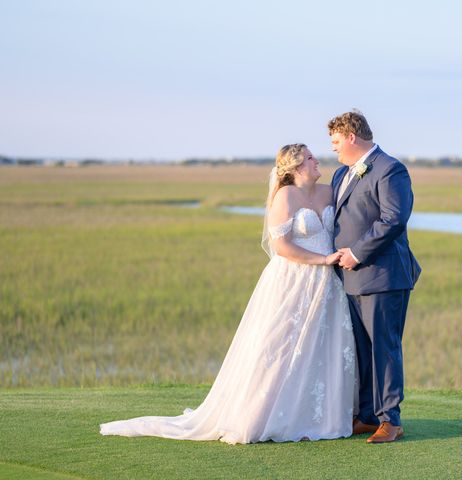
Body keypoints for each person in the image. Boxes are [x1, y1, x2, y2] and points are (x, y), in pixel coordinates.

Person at [100, 144, 357, 444]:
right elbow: (283, 247)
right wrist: (322, 260)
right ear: (297, 166)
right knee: (280, 345)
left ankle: (316, 415)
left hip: (326, 285)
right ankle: (261, 414)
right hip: (295, 279)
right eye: (311, 158)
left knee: (321, 346)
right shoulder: (285, 197)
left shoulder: (328, 191)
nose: (317, 161)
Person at [329, 110, 421, 443]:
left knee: (385, 348)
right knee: (362, 350)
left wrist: (357, 252)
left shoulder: (390, 169)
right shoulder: (341, 174)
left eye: (337, 141)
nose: (334, 149)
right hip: (349, 279)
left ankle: (390, 421)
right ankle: (367, 416)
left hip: (383, 277)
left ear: (352, 137)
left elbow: (393, 219)